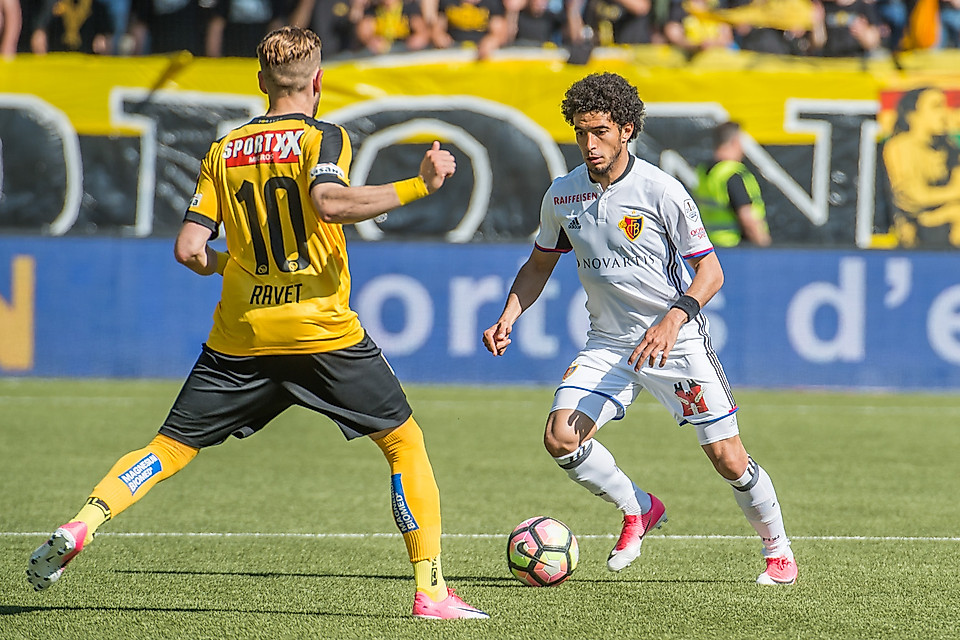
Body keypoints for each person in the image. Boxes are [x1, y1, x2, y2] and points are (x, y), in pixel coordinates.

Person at [26, 25, 489, 621]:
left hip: (242, 334)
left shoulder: (224, 149)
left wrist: (235, 266)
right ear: (318, 81)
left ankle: (84, 521)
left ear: (260, 81)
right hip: (320, 331)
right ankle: (431, 590)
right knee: (403, 442)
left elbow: (189, 249)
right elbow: (330, 203)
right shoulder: (323, 137)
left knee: (169, 447)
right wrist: (419, 184)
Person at [482, 72, 797, 585]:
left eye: (600, 131)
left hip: (676, 342)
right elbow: (539, 265)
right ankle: (638, 507)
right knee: (561, 437)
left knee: (728, 459)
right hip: (609, 344)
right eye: (580, 132)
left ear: (626, 129)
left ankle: (778, 551)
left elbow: (711, 272)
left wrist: (674, 319)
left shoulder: (661, 190)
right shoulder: (562, 195)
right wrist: (509, 314)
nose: (589, 143)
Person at [882, 86, 960, 247]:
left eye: (944, 106)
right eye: (936, 107)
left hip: (942, 217)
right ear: (912, 115)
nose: (944, 114)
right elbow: (916, 196)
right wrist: (954, 193)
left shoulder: (948, 147)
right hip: (915, 223)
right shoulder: (900, 146)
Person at [693, 121, 771, 247]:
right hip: (736, 247)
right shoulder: (731, 173)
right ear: (735, 141)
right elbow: (747, 217)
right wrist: (763, 246)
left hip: (710, 245)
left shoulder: (704, 171)